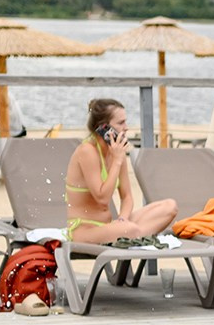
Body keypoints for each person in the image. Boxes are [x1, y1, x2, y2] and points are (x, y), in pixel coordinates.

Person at [65, 99, 179, 246]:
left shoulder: (116, 149)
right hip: (85, 230)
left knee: (170, 207)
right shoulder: (88, 151)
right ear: (104, 128)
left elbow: (127, 197)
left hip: (111, 227)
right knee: (129, 230)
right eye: (121, 123)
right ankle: (132, 236)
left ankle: (130, 236)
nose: (126, 128)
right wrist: (117, 160)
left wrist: (122, 219)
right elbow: (102, 198)